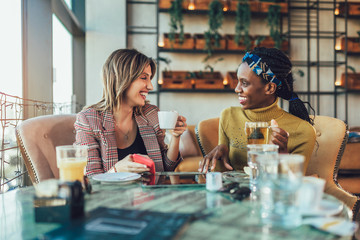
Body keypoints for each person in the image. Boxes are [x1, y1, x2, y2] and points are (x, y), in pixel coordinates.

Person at [199, 47, 316, 173]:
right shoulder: (229, 115)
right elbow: (224, 174)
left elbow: (293, 185)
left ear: (270, 88)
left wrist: (282, 157)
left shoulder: (303, 131)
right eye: (238, 81)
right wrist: (220, 154)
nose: (237, 89)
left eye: (244, 83)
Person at [74, 49, 187, 176]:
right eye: (144, 78)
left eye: (150, 79)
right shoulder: (88, 120)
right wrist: (116, 171)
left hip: (150, 194)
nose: (150, 86)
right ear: (121, 79)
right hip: (112, 195)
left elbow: (166, 169)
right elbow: (91, 180)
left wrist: (176, 137)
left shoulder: (151, 114)